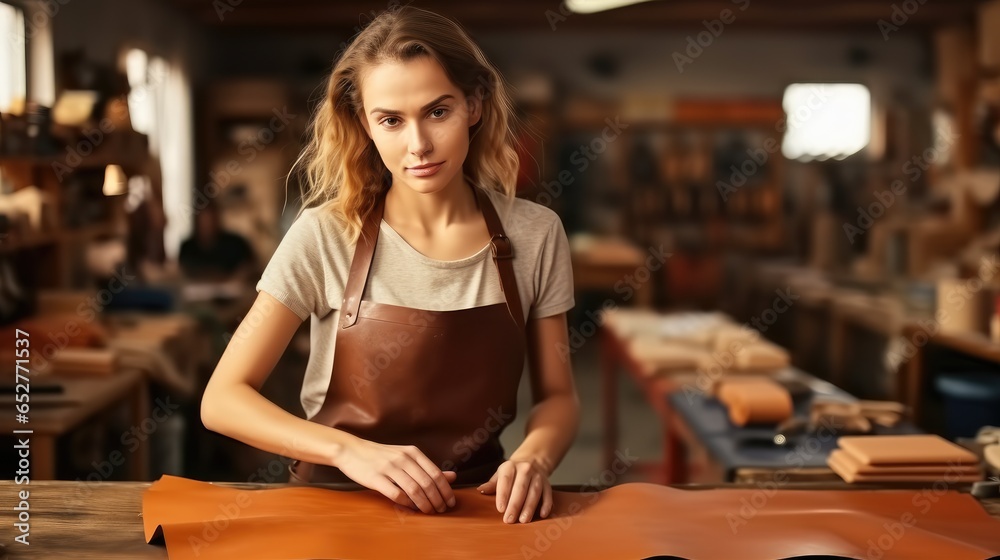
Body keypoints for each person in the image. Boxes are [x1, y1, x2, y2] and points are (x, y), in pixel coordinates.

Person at [200, 6, 580, 525]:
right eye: (392, 120)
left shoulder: (537, 235)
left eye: (438, 112)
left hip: (478, 509)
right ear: (365, 125)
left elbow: (558, 397)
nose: (418, 145)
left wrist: (535, 457)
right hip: (336, 507)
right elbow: (223, 399)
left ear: (475, 104)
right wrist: (346, 451)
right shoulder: (324, 235)